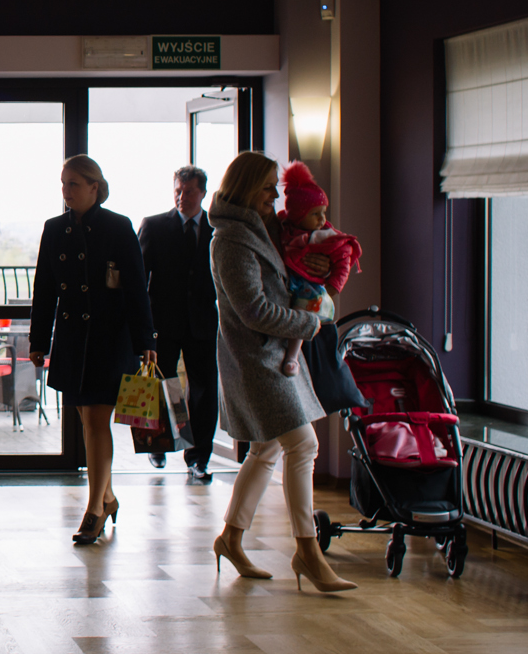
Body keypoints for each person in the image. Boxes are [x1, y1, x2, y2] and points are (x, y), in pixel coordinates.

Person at [207, 151, 357, 593]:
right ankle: (307, 550)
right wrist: (309, 324)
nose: (275, 196)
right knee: (303, 444)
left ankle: (230, 538)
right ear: (248, 188)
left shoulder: (266, 227)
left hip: (271, 355)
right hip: (255, 359)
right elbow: (253, 310)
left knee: (266, 448)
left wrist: (320, 265)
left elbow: (306, 249)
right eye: (268, 188)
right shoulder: (231, 240)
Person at [29, 154, 155, 545]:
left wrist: (146, 341)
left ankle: (94, 510)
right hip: (71, 339)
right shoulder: (54, 229)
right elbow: (44, 288)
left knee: (98, 421)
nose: (65, 191)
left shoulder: (118, 226)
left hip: (109, 339)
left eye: (73, 184)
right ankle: (109, 496)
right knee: (87, 422)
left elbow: (136, 288)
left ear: (94, 187)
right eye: (63, 183)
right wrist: (38, 340)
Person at [137, 165, 220, 484]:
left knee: (203, 391)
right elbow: (139, 277)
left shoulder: (216, 229)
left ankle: (198, 458)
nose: (181, 197)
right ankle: (158, 444)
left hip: (203, 323)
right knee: (162, 384)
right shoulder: (155, 225)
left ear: (203, 193)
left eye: (188, 191)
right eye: (177, 191)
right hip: (163, 322)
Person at [275, 161, 364, 375]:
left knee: (301, 313)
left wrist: (331, 289)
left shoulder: (326, 236)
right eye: (315, 214)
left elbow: (343, 260)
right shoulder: (283, 229)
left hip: (312, 291)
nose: (322, 219)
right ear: (298, 215)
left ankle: (292, 357)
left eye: (323, 212)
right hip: (290, 286)